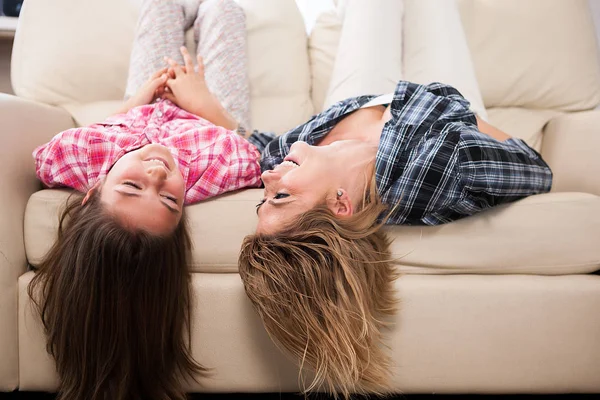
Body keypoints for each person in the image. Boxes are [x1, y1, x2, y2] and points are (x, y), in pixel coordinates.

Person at [238, 7, 553, 400]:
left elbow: (259, 148)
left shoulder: (285, 158)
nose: (268, 179)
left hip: (354, 98)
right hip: (442, 95)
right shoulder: (444, 167)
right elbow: (536, 169)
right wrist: (463, 124)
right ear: (340, 205)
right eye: (280, 196)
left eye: (263, 199)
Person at [27, 1, 258, 400]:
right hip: (208, 115)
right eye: (170, 199)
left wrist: (136, 104)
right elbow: (248, 153)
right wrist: (206, 107)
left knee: (162, 6)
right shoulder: (213, 171)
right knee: (224, 11)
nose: (156, 174)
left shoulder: (86, 156)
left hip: (145, 101)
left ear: (92, 193)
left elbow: (43, 157)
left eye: (132, 187)